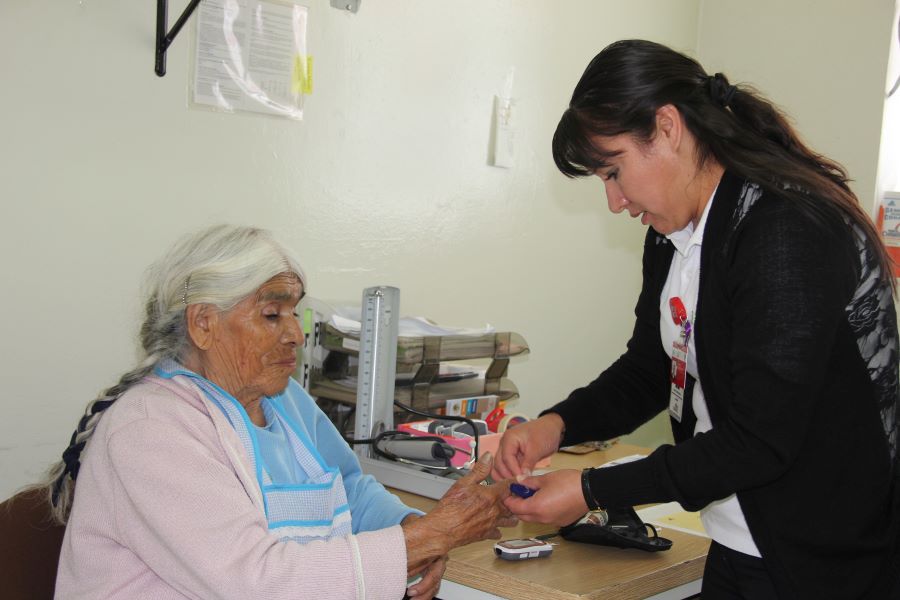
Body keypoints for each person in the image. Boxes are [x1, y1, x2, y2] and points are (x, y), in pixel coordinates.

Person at [493, 40, 900, 599]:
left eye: (614, 172)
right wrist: (557, 425)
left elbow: (759, 440)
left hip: (820, 560)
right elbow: (653, 369)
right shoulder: (674, 232)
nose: (614, 201)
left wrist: (592, 489)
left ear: (667, 127)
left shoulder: (786, 229)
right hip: (737, 539)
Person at [37, 224, 513, 600]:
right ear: (203, 324)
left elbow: (349, 490)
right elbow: (256, 583)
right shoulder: (150, 431)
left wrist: (411, 528)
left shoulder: (285, 401)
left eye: (294, 314)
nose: (295, 334)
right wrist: (424, 541)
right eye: (272, 314)